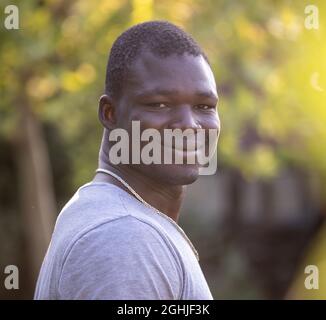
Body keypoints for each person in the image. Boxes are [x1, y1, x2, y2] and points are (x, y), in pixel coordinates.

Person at [34, 20, 220, 300]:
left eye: (204, 106)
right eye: (159, 104)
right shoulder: (123, 237)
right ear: (110, 113)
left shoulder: (114, 216)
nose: (190, 125)